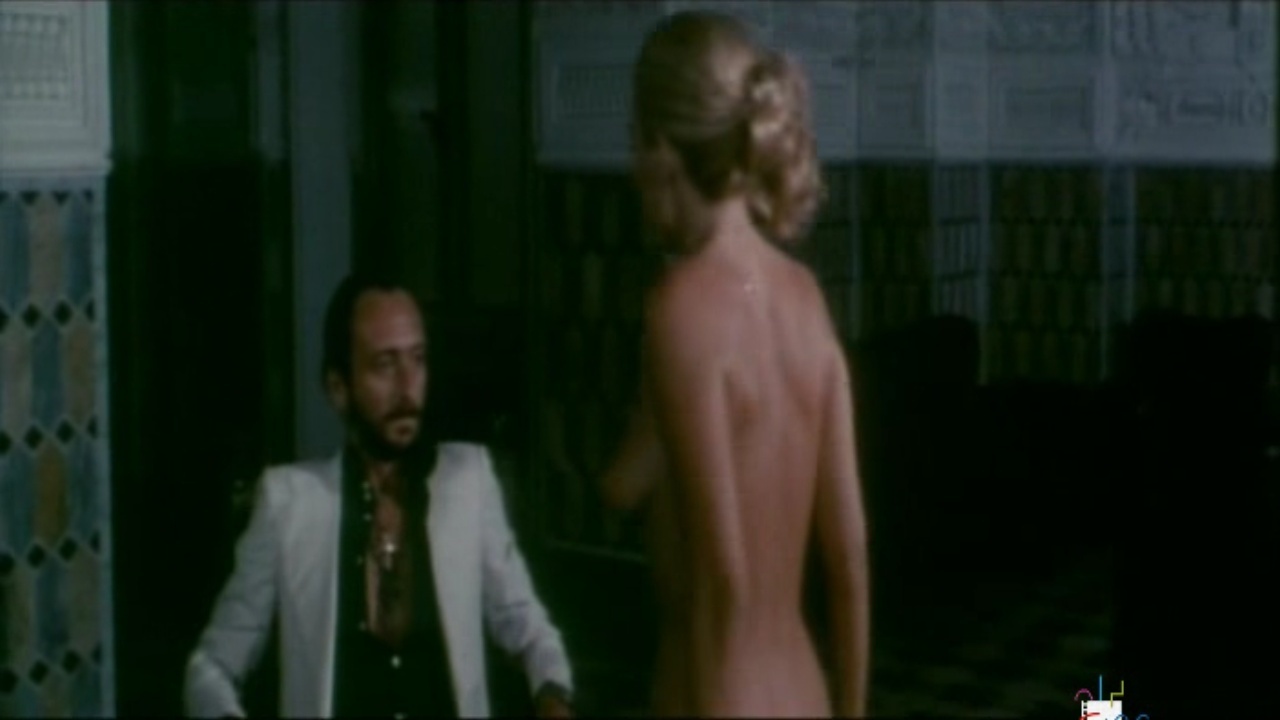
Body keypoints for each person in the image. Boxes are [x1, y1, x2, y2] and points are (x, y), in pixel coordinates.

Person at [602, 10, 870, 718]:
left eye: (633, 140)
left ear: (662, 148)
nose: (631, 167)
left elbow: (725, 583)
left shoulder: (680, 306)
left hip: (716, 696)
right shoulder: (804, 296)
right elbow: (849, 556)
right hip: (804, 693)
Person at [185, 271, 575, 718]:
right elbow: (210, 667)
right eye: (385, 365)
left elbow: (528, 628)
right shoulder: (288, 504)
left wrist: (552, 695)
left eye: (418, 359)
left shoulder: (469, 482)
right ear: (338, 388)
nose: (408, 387)